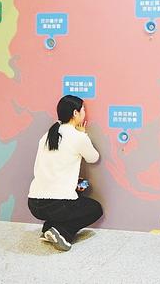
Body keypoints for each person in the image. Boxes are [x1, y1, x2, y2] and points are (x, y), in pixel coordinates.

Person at [28, 95, 103, 251]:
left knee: (73, 199)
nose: (85, 113)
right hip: (57, 204)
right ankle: (62, 232)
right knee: (95, 209)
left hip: (34, 203)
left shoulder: (47, 135)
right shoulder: (78, 137)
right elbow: (93, 158)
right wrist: (83, 134)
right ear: (75, 113)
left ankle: (48, 229)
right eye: (83, 110)